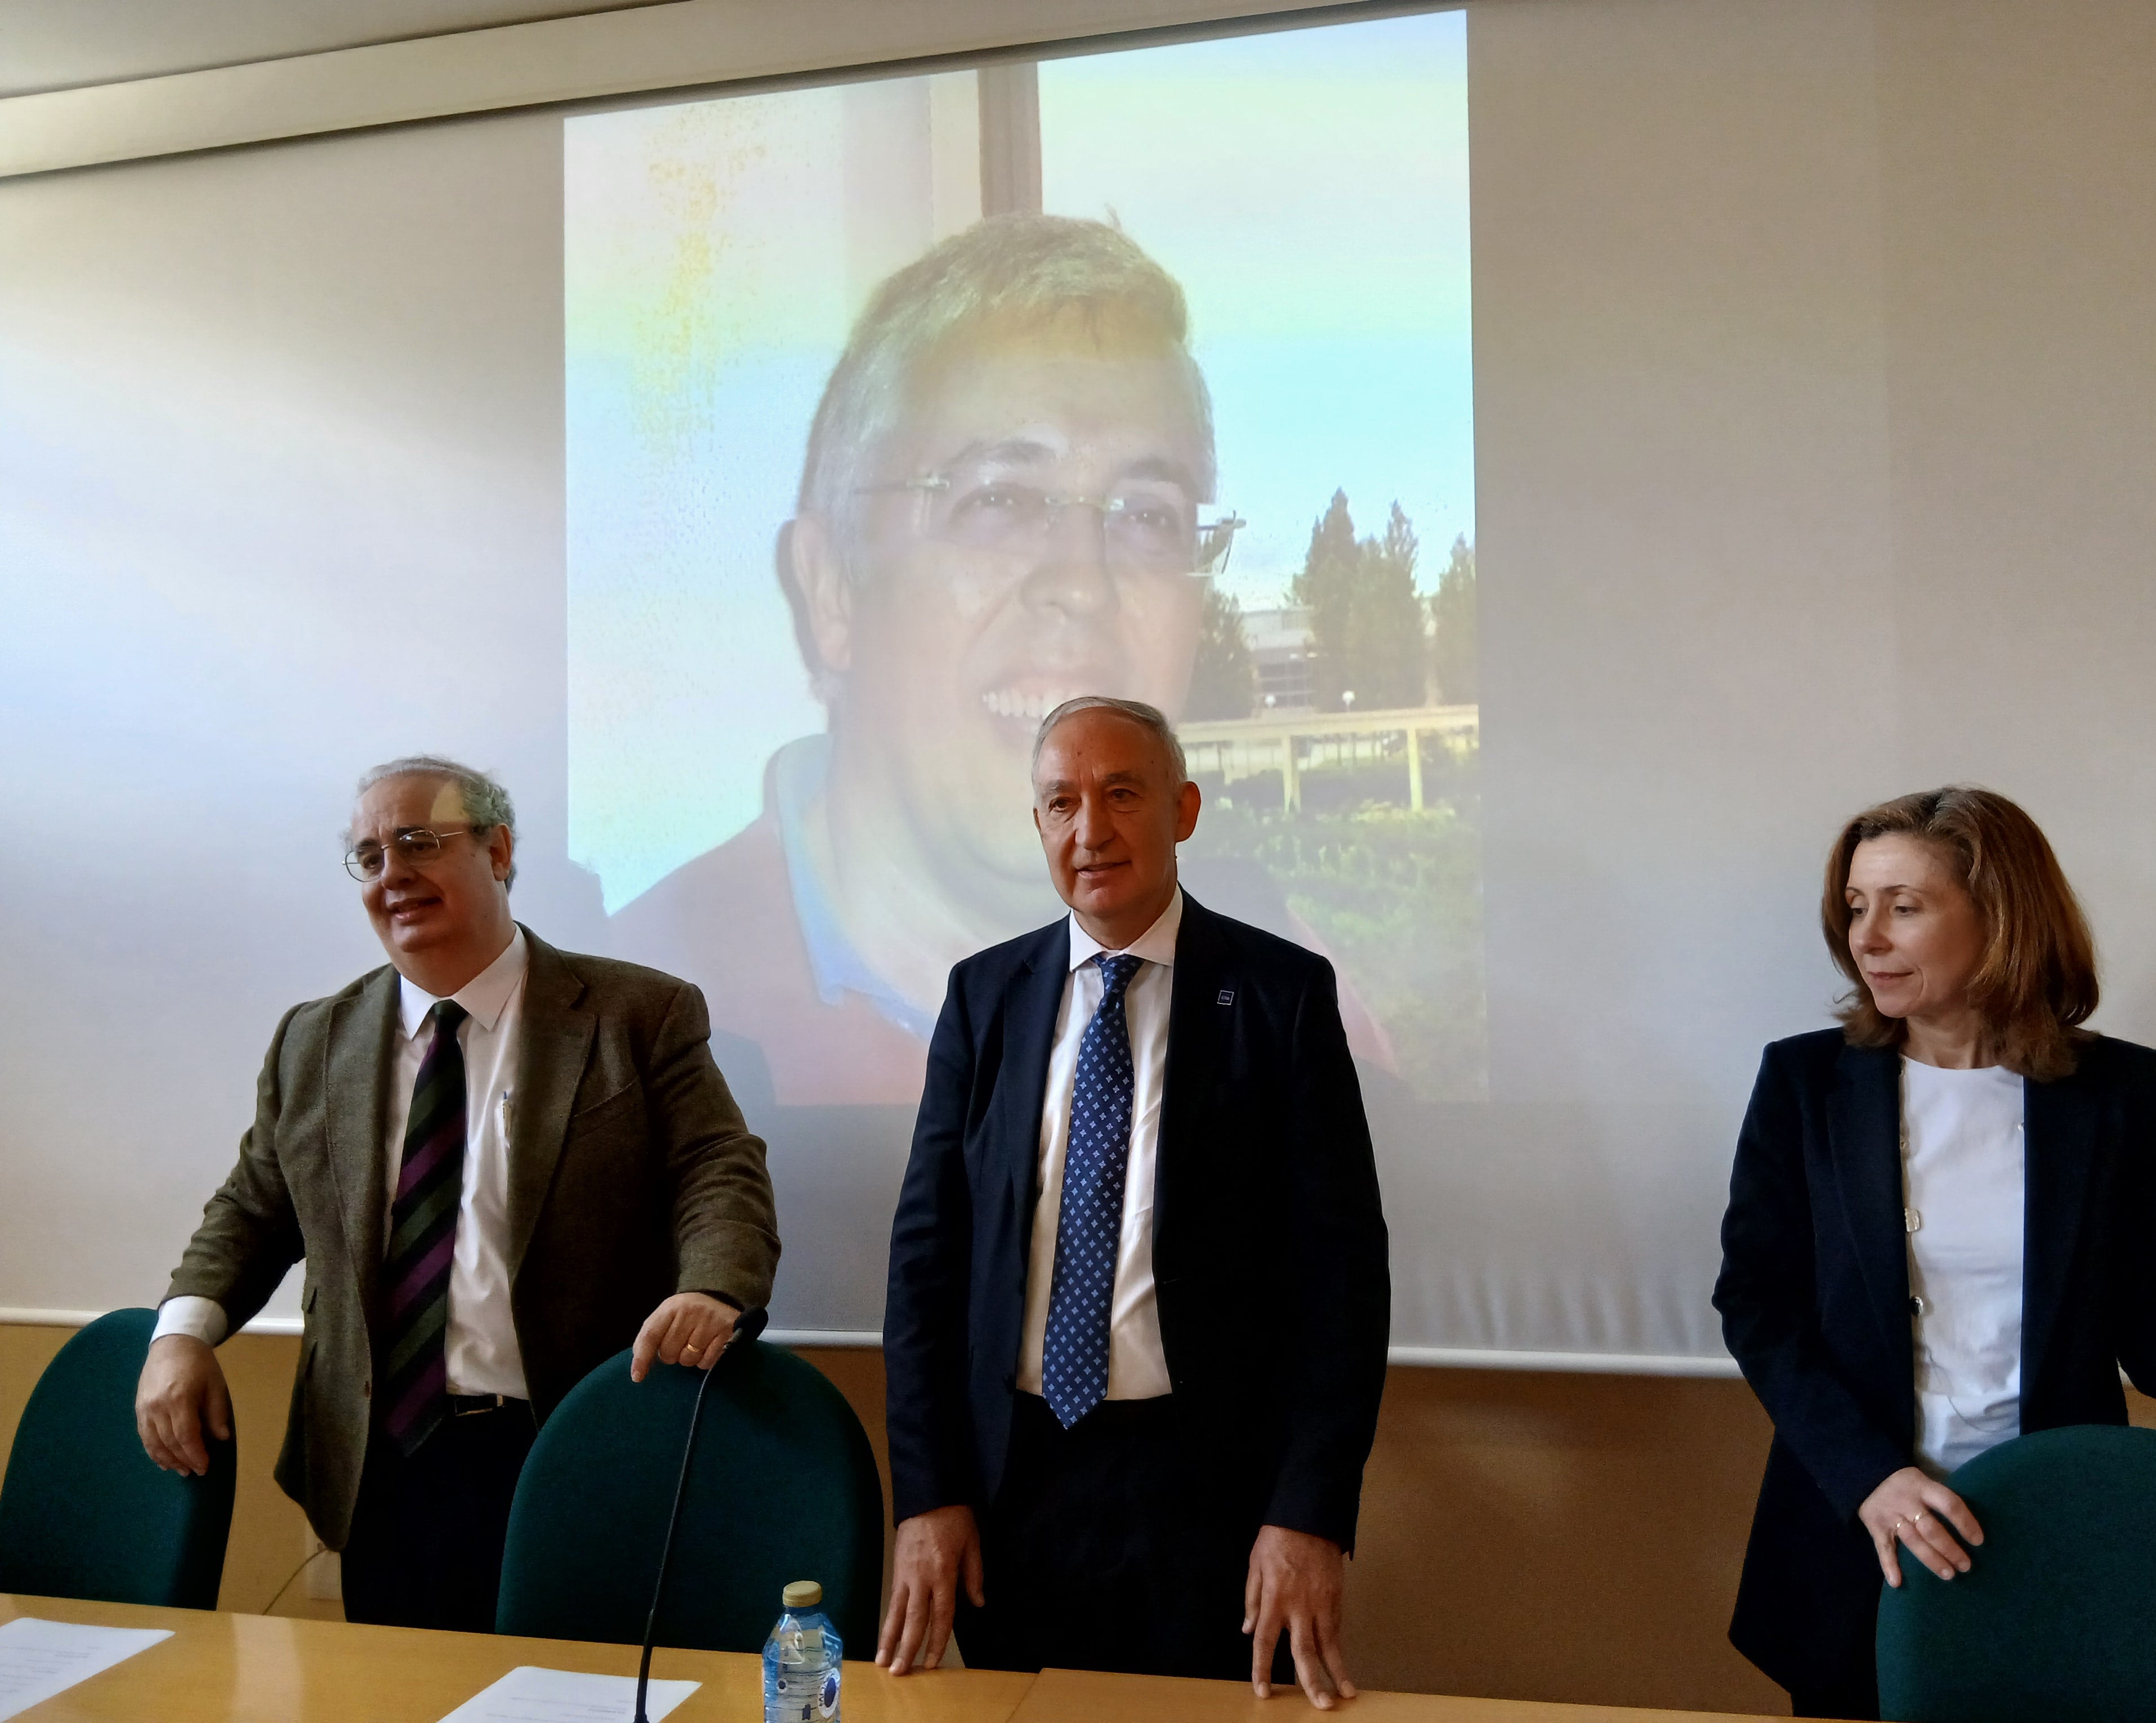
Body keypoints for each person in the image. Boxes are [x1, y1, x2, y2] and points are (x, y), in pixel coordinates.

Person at [609, 213, 1394, 1108]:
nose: (1083, 581)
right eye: (998, 498)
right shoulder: (618, 1027)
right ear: (833, 592)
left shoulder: (1302, 1020)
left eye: (1146, 515)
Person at [135, 756, 780, 1632]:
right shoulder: (314, 1041)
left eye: (418, 843)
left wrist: (712, 1287)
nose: (392, 874)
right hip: (383, 1465)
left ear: (500, 850)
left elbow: (719, 1171)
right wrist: (180, 1334)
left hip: (573, 1446)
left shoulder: (636, 1014)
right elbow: (253, 1208)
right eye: (369, 856)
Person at [1713, 785, 2156, 1718]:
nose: (1867, 937)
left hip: (2048, 1526)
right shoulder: (1805, 1081)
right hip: (1853, 1531)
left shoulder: (2120, 1091)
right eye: (1856, 907)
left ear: (2002, 918)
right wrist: (1869, 1475)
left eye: (1904, 906)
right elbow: (1758, 1304)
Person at [875, 697, 1389, 1705]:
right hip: (1013, 1486)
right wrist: (928, 1495)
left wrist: (1309, 1513)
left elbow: (1343, 1281)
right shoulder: (985, 997)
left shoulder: (1281, 996)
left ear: (1184, 809)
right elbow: (925, 1264)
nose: (1089, 831)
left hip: (1209, 1497)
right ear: (1036, 826)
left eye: (1121, 794)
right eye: (1060, 802)